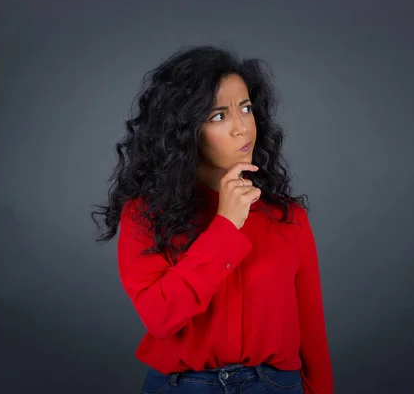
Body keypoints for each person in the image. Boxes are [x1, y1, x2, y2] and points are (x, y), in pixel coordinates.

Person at [91, 45, 333, 393]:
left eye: (245, 109)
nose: (241, 128)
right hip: (183, 385)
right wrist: (226, 226)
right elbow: (161, 318)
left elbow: (312, 331)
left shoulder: (286, 217)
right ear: (184, 130)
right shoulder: (144, 215)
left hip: (275, 385)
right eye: (218, 115)